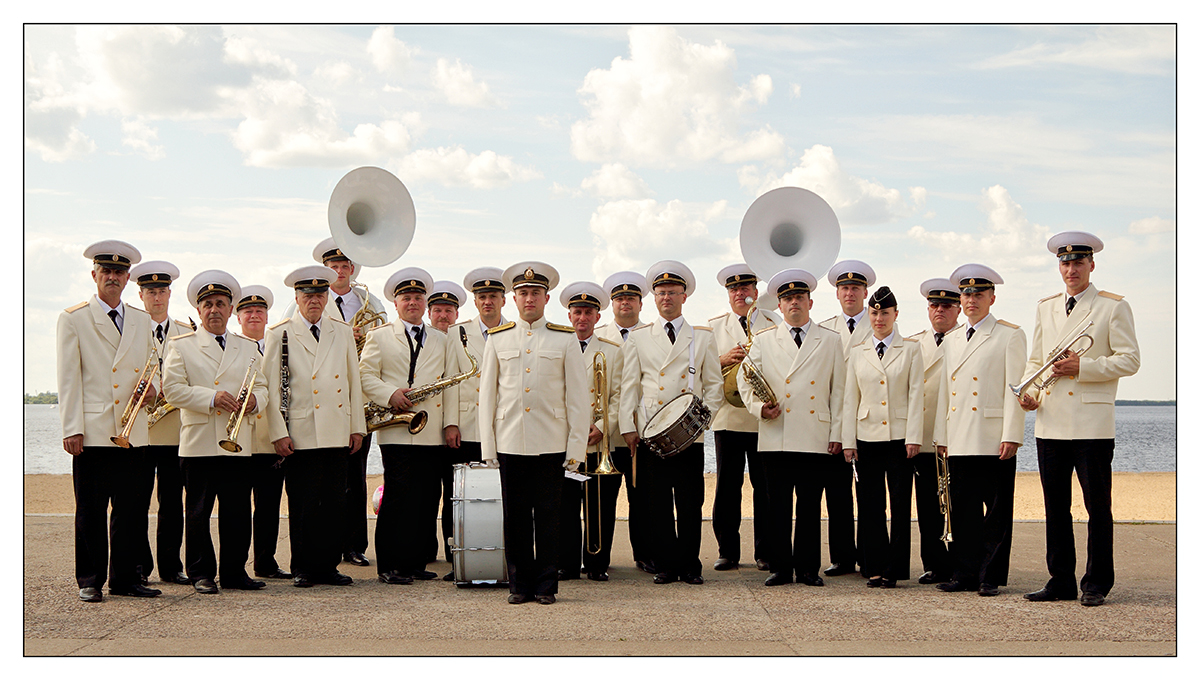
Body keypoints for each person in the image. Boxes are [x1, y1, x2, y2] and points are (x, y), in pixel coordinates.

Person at [1020, 232, 1140, 608]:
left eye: (1077, 262)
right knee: (1055, 508)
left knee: (1097, 508)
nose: (1071, 269)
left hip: (1091, 424)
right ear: (1059, 267)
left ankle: (1097, 583)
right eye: (1064, 263)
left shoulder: (1113, 307)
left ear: (1092, 265)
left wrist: (1082, 366)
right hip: (1051, 423)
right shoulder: (1046, 307)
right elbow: (1037, 360)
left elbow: (1130, 360)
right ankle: (1060, 581)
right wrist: (1032, 393)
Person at [478, 262, 589, 605]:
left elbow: (578, 398)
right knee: (515, 519)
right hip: (511, 439)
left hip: (551, 440)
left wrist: (576, 449)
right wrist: (489, 447)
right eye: (523, 293)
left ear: (547, 298)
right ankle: (519, 584)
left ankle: (545, 585)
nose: (529, 298)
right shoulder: (498, 338)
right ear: (513, 298)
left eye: (535, 293)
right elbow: (487, 397)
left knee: (549, 517)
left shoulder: (565, 338)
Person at [57, 240, 161, 602]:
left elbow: (154, 365)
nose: (112, 277)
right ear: (94, 275)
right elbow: (68, 378)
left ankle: (126, 579)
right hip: (96, 429)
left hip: (134, 429)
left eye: (119, 272)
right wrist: (72, 427)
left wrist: (155, 389)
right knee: (91, 509)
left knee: (132, 510)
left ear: (128, 277)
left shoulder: (141, 318)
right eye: (106, 271)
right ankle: (89, 579)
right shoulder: (74, 318)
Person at [162, 271, 269, 594]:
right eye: (207, 304)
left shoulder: (247, 346)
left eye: (220, 304)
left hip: (238, 442)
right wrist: (211, 397)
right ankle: (201, 573)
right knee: (198, 513)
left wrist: (255, 400)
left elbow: (262, 386)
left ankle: (235, 572)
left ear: (230, 308)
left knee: (238, 512)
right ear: (198, 310)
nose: (214, 310)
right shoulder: (181, 346)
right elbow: (172, 389)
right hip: (200, 441)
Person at [619, 261, 723, 586]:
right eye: (661, 292)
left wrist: (702, 421)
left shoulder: (702, 338)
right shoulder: (639, 338)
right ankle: (666, 564)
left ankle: (690, 565)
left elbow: (715, 387)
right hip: (652, 433)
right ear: (654, 297)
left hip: (689, 436)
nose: (667, 297)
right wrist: (628, 425)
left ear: (685, 296)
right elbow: (630, 385)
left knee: (691, 503)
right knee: (658, 503)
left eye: (673, 292)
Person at [738, 269, 844, 588]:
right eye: (787, 299)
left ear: (810, 302)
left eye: (799, 297)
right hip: (777, 432)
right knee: (778, 506)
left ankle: (808, 568)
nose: (793, 302)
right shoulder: (765, 340)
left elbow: (838, 392)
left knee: (810, 506)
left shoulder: (831, 340)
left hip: (815, 434)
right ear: (780, 306)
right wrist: (758, 408)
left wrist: (837, 434)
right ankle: (781, 568)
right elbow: (745, 379)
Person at [264, 265, 367, 588]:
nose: (314, 300)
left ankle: (328, 565)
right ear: (296, 297)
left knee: (335, 503)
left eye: (320, 294)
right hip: (301, 432)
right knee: (304, 504)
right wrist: (278, 432)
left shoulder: (341, 331)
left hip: (336, 429)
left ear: (326, 297)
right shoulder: (278, 333)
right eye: (307, 295)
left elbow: (352, 382)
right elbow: (270, 389)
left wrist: (357, 427)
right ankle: (303, 567)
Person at [360, 268, 459, 585]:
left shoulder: (442, 339)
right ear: (395, 302)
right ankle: (389, 565)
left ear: (424, 302)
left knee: (426, 499)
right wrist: (390, 394)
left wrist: (450, 424)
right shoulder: (379, 337)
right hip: (395, 426)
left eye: (418, 297)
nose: (412, 302)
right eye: (406, 297)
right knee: (397, 498)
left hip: (431, 431)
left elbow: (450, 385)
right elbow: (364, 376)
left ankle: (415, 562)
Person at [934, 264, 1026, 597]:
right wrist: (941, 437)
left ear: (992, 298)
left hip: (991, 436)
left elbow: (1014, 388)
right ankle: (965, 573)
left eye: (979, 294)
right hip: (959, 436)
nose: (972, 300)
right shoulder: (954, 338)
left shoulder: (1008, 334)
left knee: (997, 514)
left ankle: (990, 577)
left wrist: (1012, 433)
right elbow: (946, 389)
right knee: (963, 511)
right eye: (967, 294)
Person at [309, 238, 387, 569]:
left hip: (358, 399)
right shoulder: (310, 300)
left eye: (344, 266)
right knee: (323, 477)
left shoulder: (371, 302)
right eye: (333, 267)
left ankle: (354, 545)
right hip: (322, 399)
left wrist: (363, 340)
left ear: (353, 269)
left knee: (355, 476)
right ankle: (322, 544)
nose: (339, 272)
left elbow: (384, 339)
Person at [841, 286, 923, 588]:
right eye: (874, 313)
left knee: (900, 505)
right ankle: (874, 566)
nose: (879, 318)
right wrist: (848, 440)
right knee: (871, 505)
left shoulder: (911, 349)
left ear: (895, 315)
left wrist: (914, 436)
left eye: (885, 313)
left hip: (901, 437)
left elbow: (916, 396)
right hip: (867, 436)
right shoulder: (858, 351)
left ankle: (895, 568)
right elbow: (851, 398)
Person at [708, 264, 779, 572]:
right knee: (727, 487)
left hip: (763, 418)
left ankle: (765, 551)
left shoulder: (773, 323)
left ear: (755, 292)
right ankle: (727, 550)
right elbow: (699, 370)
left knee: (765, 488)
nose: (740, 293)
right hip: (729, 417)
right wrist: (721, 360)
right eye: (734, 289)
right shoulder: (714, 327)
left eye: (746, 288)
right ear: (728, 295)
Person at [440, 267, 508, 578]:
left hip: (502, 427)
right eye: (482, 297)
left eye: (493, 296)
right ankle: (456, 560)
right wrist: (450, 423)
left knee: (501, 495)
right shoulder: (457, 333)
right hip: (465, 426)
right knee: (457, 496)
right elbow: (450, 381)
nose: (487, 302)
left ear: (503, 300)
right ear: (475, 301)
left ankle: (502, 555)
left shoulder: (515, 331)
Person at [128, 259, 191, 586]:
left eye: (162, 290)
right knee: (137, 502)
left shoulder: (186, 332)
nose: (157, 296)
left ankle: (171, 565)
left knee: (172, 504)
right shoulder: (130, 328)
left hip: (175, 431)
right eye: (150, 291)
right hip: (140, 429)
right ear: (140, 295)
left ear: (170, 293)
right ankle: (139, 565)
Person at [556, 281, 623, 582]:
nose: (582, 318)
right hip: (565, 439)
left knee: (600, 508)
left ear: (597, 317)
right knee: (565, 508)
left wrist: (603, 426)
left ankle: (597, 564)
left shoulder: (612, 351)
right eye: (577, 312)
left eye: (588, 312)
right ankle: (566, 564)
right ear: (569, 315)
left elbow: (620, 396)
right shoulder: (557, 347)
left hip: (599, 442)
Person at [816, 259, 876, 577]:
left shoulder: (880, 325)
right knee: (837, 494)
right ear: (837, 294)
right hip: (835, 422)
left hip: (870, 420)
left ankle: (869, 556)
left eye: (855, 287)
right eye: (844, 288)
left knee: (868, 494)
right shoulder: (825, 329)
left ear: (865, 292)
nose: (849, 293)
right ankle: (842, 557)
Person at [595, 271, 655, 575]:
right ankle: (598, 560)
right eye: (619, 298)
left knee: (642, 499)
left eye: (631, 298)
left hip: (642, 431)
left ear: (641, 304)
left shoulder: (653, 335)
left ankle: (644, 554)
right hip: (605, 437)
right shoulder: (598, 334)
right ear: (611, 304)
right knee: (603, 502)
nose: (625, 303)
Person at [906, 278, 961, 585]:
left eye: (947, 306)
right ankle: (934, 564)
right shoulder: (915, 343)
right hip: (924, 438)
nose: (940, 311)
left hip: (954, 438)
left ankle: (958, 563)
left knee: (954, 506)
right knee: (927, 506)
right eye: (934, 305)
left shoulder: (965, 340)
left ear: (958, 309)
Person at [236, 285, 291, 581]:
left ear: (267, 316)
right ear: (238, 318)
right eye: (248, 312)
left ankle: (266, 562)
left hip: (271, 439)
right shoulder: (231, 348)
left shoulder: (278, 346)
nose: (254, 316)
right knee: (240, 507)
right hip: (241, 440)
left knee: (269, 506)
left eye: (259, 311)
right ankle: (238, 565)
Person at [424, 278, 468, 566]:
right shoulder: (422, 339)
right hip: (425, 429)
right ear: (430, 314)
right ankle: (426, 552)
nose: (443, 316)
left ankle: (455, 552)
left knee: (455, 496)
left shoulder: (464, 339)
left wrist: (453, 422)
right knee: (427, 496)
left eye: (448, 311)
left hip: (456, 430)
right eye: (437, 310)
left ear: (456, 315)